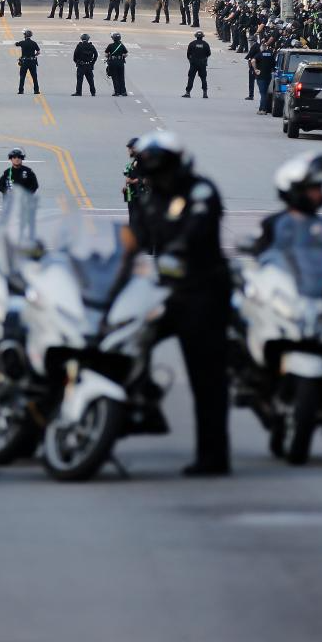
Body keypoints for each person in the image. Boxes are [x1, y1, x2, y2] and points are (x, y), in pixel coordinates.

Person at [135, 133, 231, 476]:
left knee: (207, 378)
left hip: (203, 293)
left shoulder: (201, 191)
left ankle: (213, 456)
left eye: (159, 171)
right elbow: (136, 239)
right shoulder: (153, 197)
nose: (156, 178)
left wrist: (177, 250)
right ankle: (142, 404)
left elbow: (195, 231)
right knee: (126, 340)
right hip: (166, 292)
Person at [247, 33, 275, 113]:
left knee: (263, 93)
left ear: (261, 48)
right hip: (268, 76)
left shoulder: (259, 54)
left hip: (261, 76)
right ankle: (263, 108)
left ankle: (262, 109)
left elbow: (252, 61)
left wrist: (255, 69)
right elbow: (274, 64)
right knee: (265, 92)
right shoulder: (271, 55)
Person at [183, 30, 210, 99]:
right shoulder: (205, 44)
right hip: (202, 63)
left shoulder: (192, 43)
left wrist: (191, 60)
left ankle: (188, 92)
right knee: (203, 78)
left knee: (191, 77)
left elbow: (188, 54)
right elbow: (208, 53)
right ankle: (205, 93)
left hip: (194, 63)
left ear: (196, 36)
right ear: (202, 36)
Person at [16, 29, 40, 95]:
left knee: (22, 76)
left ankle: (21, 90)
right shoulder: (34, 43)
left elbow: (16, 44)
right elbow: (38, 52)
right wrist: (34, 55)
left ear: (25, 35)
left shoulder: (22, 43)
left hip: (24, 62)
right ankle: (36, 90)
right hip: (32, 62)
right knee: (34, 76)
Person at [105, 31, 128, 96]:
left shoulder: (110, 45)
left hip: (113, 63)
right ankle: (123, 91)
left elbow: (106, 55)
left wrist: (110, 56)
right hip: (120, 62)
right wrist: (121, 56)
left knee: (114, 77)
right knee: (121, 77)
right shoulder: (121, 45)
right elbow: (126, 54)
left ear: (113, 39)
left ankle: (117, 91)